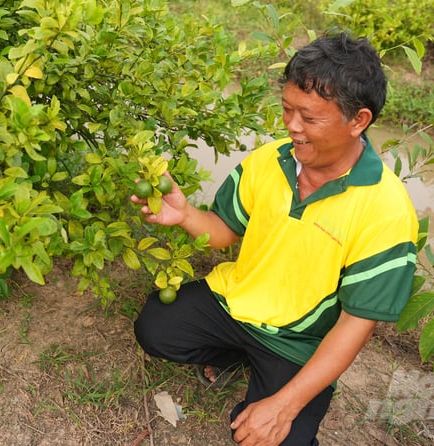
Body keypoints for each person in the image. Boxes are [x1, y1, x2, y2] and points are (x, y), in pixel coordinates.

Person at [132, 32, 419, 446]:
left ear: (358, 121)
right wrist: (186, 214)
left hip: (299, 342)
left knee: (271, 438)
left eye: (309, 117)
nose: (291, 126)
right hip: (237, 302)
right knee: (155, 328)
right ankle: (237, 355)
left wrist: (284, 405)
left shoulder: (386, 209)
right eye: (287, 110)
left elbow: (356, 324)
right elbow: (225, 231)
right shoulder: (270, 160)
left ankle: (278, 382)